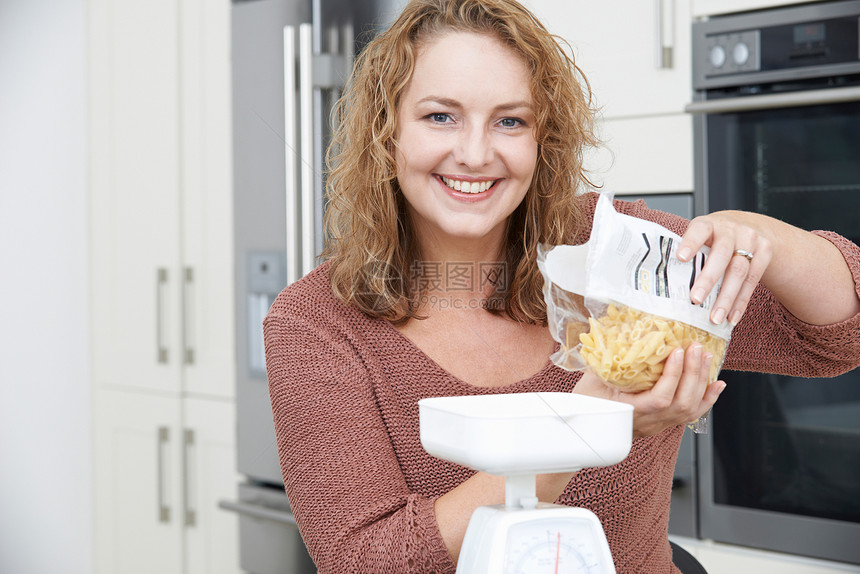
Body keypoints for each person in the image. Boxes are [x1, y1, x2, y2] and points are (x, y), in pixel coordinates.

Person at [263, 0, 860, 572]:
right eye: (439, 116)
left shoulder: (611, 248)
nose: (475, 153)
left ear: (541, 139)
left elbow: (835, 338)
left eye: (510, 121)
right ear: (385, 133)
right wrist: (588, 424)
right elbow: (369, 561)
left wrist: (764, 238)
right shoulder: (315, 324)